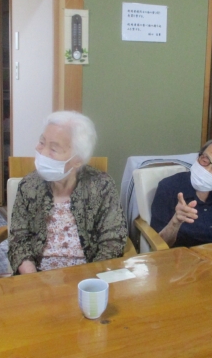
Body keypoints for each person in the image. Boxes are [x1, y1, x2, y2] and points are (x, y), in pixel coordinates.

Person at [8, 111, 127, 274]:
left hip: (88, 278)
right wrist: (33, 279)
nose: (42, 152)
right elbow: (18, 241)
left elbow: (113, 241)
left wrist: (90, 280)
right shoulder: (29, 186)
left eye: (53, 148)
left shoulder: (102, 186)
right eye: (42, 142)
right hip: (36, 278)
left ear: (77, 161)